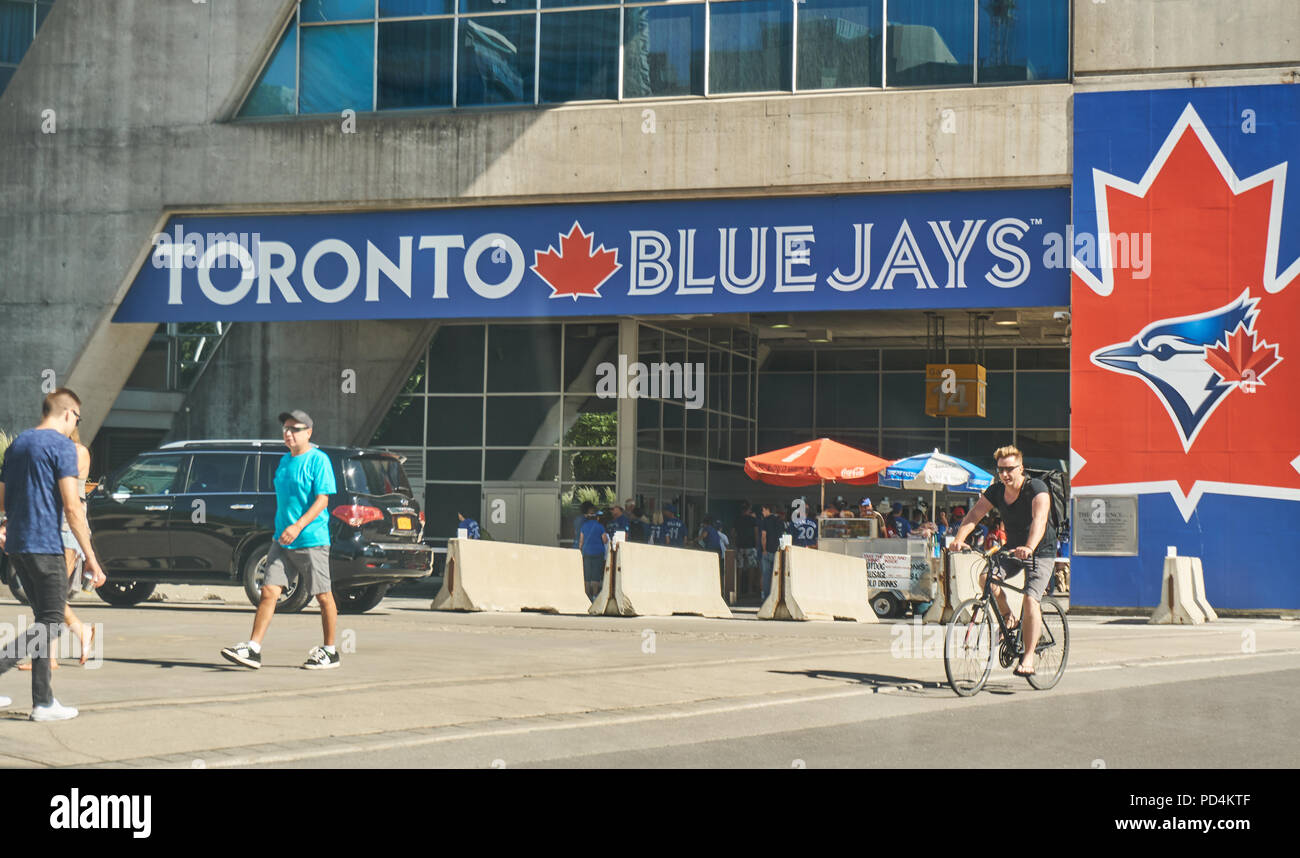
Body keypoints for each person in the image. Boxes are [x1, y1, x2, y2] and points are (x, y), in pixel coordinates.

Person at [0, 388, 104, 720]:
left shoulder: (18, 445)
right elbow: (73, 509)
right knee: (52, 622)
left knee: (45, 619)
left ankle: (43, 703)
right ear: (68, 413)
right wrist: (91, 556)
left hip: (17, 546)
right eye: (77, 417)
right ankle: (40, 699)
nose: (76, 422)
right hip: (46, 546)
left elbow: (1, 499)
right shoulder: (61, 447)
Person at [222, 410, 340, 671]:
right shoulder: (284, 461)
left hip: (312, 539)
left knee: (322, 596)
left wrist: (298, 526)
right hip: (282, 540)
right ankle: (253, 649)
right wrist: (283, 530)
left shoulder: (319, 460)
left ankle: (330, 651)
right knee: (268, 592)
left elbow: (323, 500)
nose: (288, 433)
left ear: (308, 432)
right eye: (286, 429)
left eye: (294, 429)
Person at [949, 445, 1056, 677]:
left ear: (1021, 468)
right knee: (986, 577)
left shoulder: (1037, 488)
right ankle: (1009, 617)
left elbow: (1040, 519)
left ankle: (1028, 658)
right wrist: (959, 539)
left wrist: (1029, 546)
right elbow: (975, 514)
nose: (1005, 474)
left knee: (1030, 599)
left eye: (1010, 469)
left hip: (1040, 550)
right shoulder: (997, 491)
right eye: (1001, 470)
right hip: (1012, 549)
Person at [19, 426, 97, 671]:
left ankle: (52, 653)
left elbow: (66, 491)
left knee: (51, 592)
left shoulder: (78, 451)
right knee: (48, 593)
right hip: (47, 523)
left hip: (67, 525)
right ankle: (64, 643)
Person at [577, 505, 609, 598]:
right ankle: (595, 595)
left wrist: (580, 550)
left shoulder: (584, 526)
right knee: (595, 575)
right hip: (598, 553)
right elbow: (605, 540)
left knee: (587, 575)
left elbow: (581, 541)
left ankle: (587, 595)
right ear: (597, 517)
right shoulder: (600, 527)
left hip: (586, 552)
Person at [730, 501, 760, 592]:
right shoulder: (752, 520)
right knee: (751, 567)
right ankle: (749, 589)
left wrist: (734, 543)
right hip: (750, 546)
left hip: (739, 546)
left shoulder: (737, 519)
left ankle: (738, 589)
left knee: (739, 567)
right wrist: (757, 544)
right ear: (749, 510)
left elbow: (733, 533)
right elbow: (756, 532)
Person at [759, 504, 785, 602]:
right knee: (777, 575)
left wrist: (764, 549)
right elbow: (783, 535)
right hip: (777, 551)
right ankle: (776, 596)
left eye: (763, 510)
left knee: (766, 575)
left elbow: (763, 536)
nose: (762, 512)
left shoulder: (765, 521)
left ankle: (766, 597)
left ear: (767, 509)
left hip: (768, 551)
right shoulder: (779, 520)